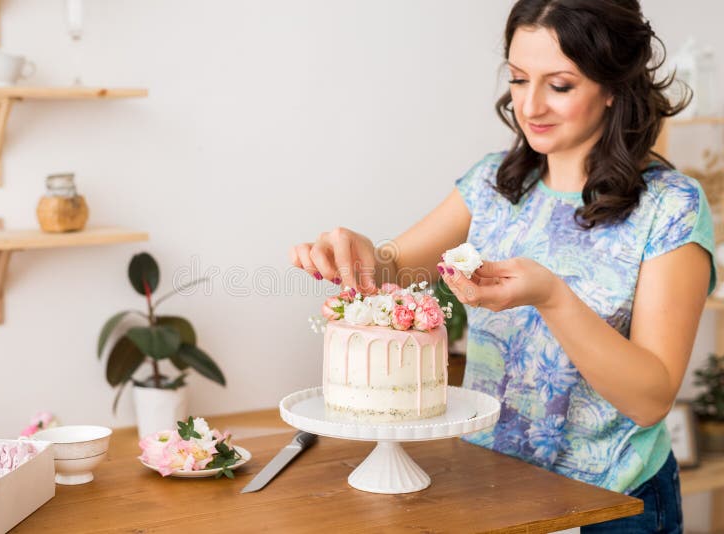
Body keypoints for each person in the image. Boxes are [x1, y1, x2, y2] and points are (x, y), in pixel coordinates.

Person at [289, 0, 715, 532]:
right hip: (489, 489)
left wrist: (553, 297)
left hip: (611, 503)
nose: (529, 106)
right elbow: (391, 268)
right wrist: (356, 249)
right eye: (517, 79)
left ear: (612, 87)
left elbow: (651, 399)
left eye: (559, 85)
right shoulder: (495, 184)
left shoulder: (671, 207)